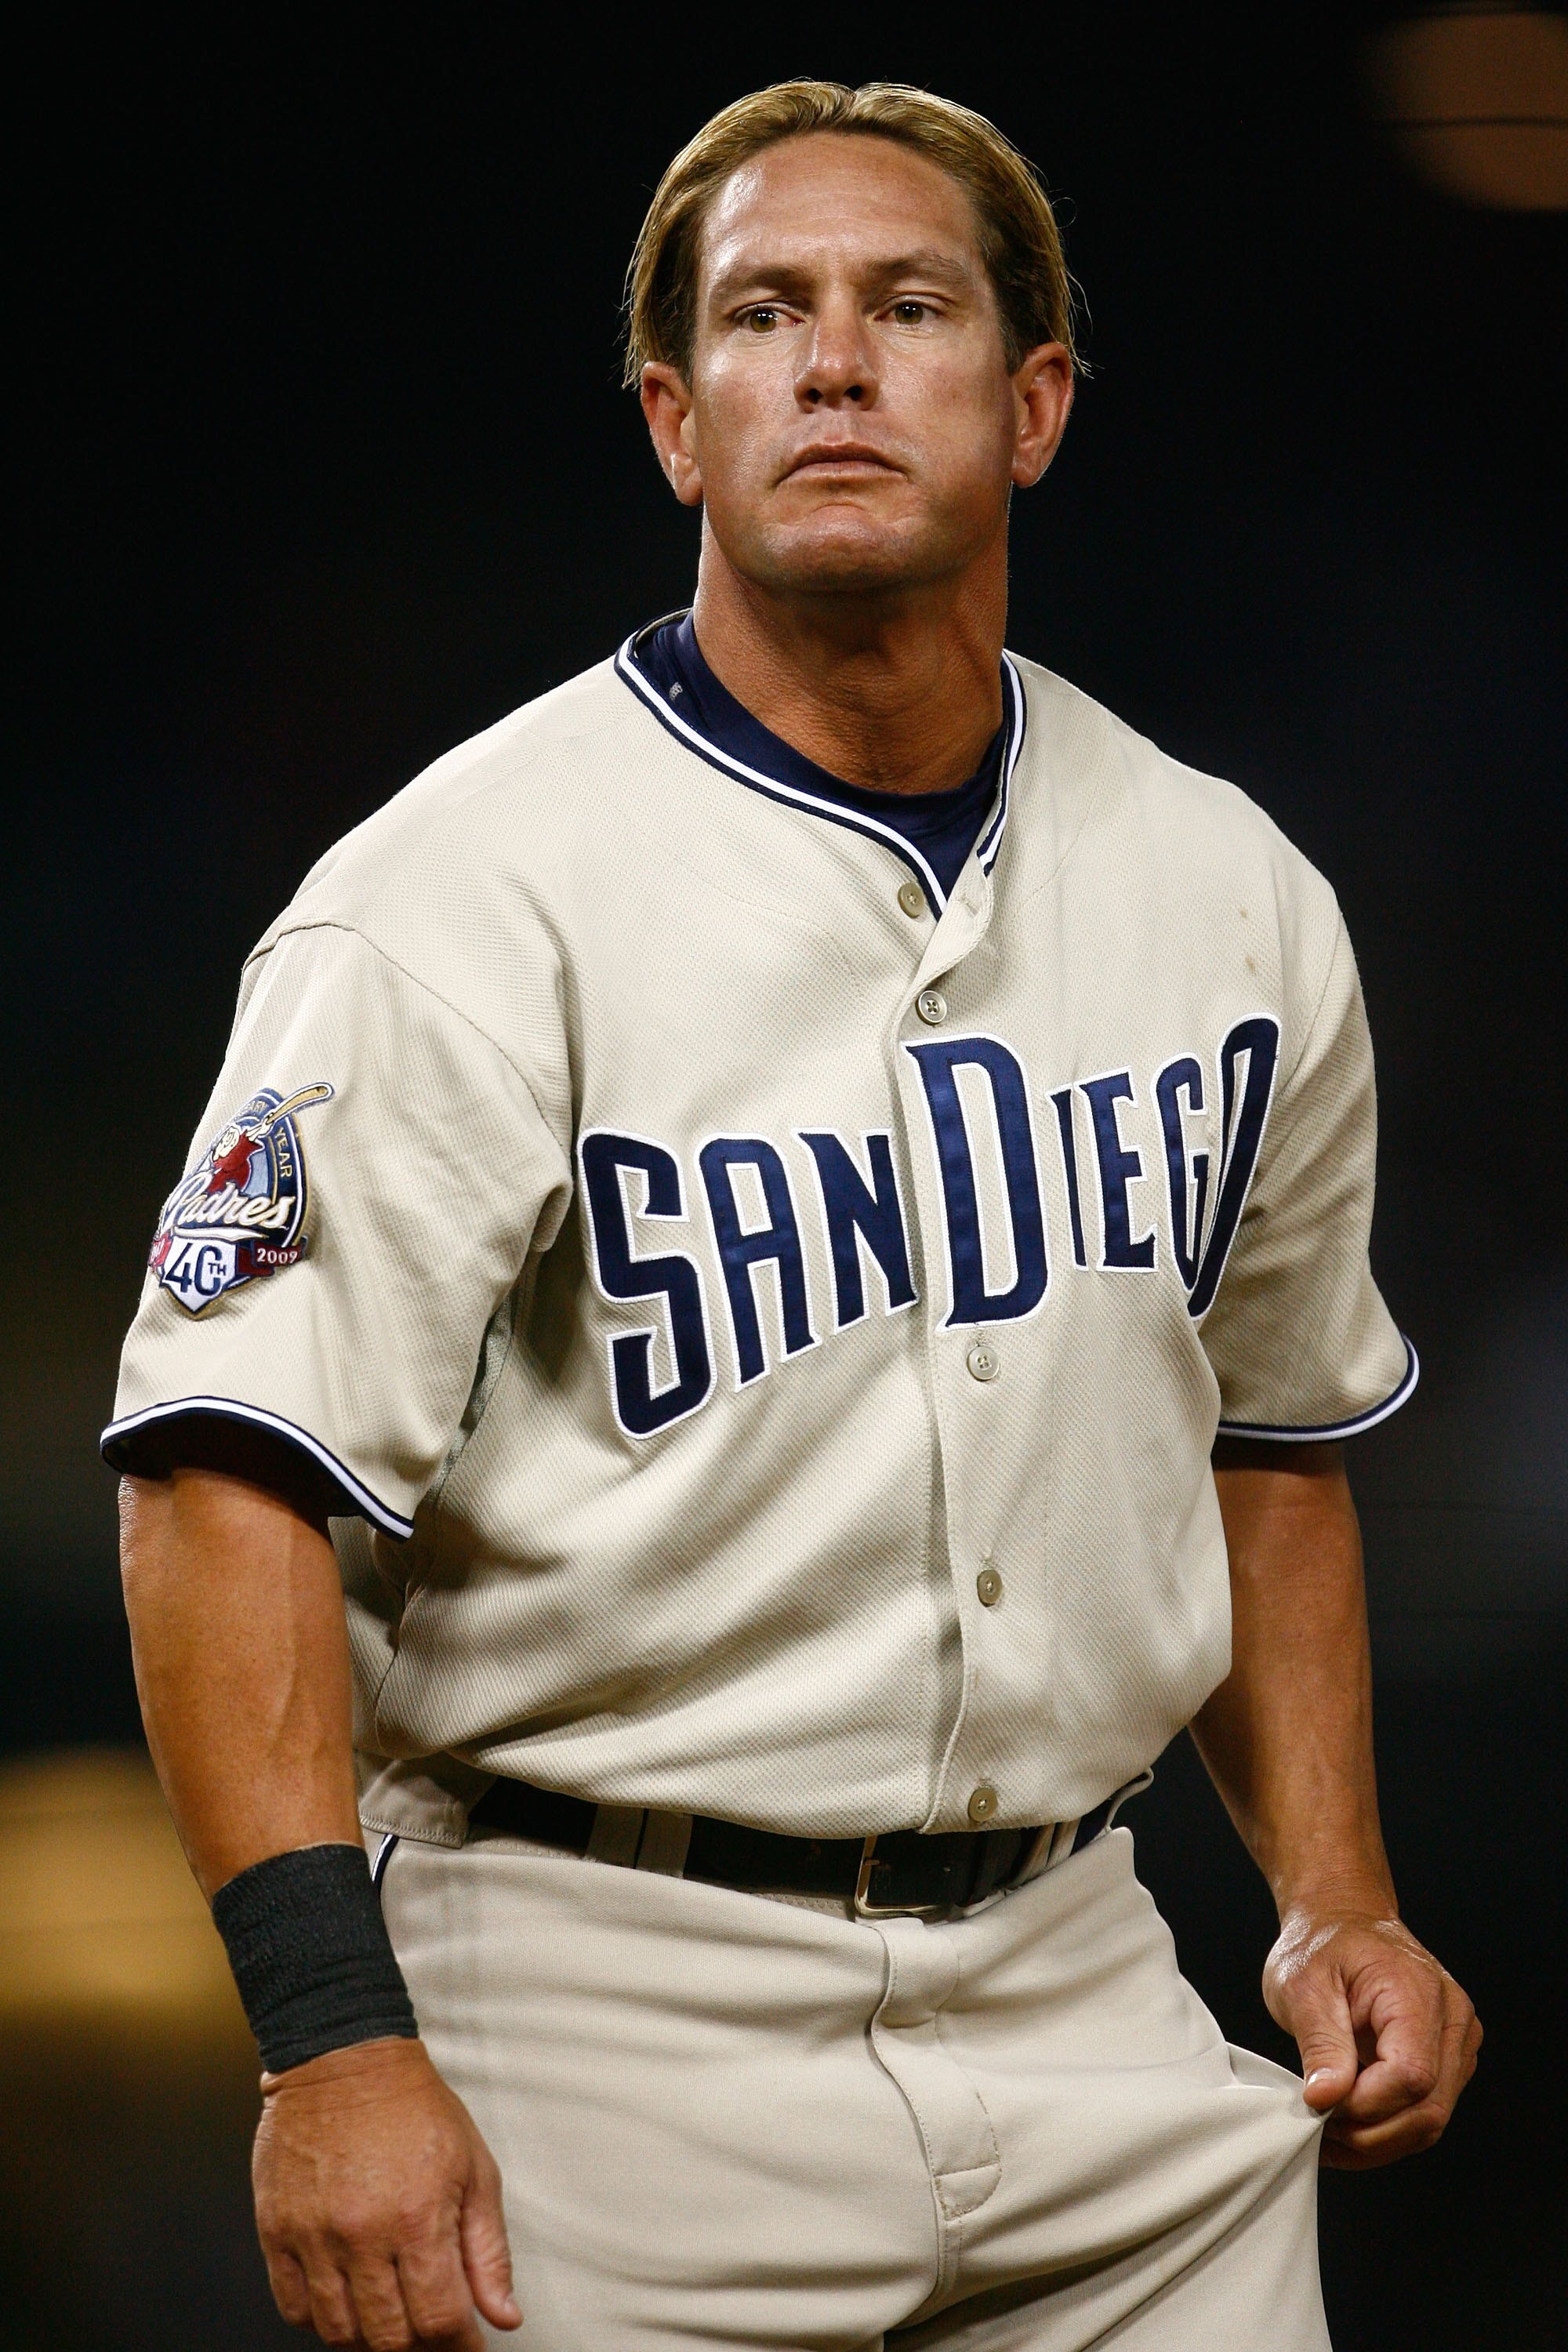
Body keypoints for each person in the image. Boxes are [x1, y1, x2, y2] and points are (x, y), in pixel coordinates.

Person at [107, 79, 1480, 2352]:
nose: (834, 363)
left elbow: (1268, 1430)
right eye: (766, 314)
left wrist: (1335, 1894)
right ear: (677, 421)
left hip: (1085, 1983)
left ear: (1032, 406)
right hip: (592, 2001)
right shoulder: (460, 899)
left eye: (908, 306)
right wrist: (330, 2038)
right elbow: (222, 1478)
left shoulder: (1229, 887)